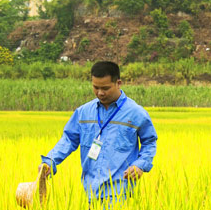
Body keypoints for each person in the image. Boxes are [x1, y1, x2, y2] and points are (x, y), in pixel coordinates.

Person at [38, 61, 157, 201]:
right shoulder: (83, 113)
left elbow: (149, 142)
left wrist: (140, 165)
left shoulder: (136, 113)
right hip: (89, 191)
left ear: (118, 83)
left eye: (105, 88)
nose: (100, 93)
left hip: (120, 193)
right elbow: (69, 139)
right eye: (96, 87)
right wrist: (50, 161)